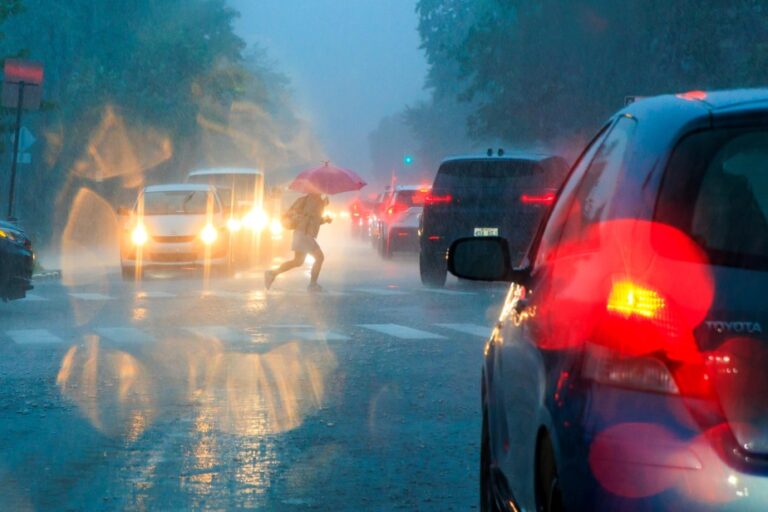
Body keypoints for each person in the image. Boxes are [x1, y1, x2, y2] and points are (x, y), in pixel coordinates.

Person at [264, 192, 332, 292]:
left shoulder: (311, 200)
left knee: (298, 261)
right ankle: (312, 285)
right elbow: (310, 219)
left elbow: (311, 219)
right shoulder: (315, 201)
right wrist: (323, 207)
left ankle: (272, 273)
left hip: (300, 233)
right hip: (305, 234)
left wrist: (324, 219)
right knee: (319, 257)